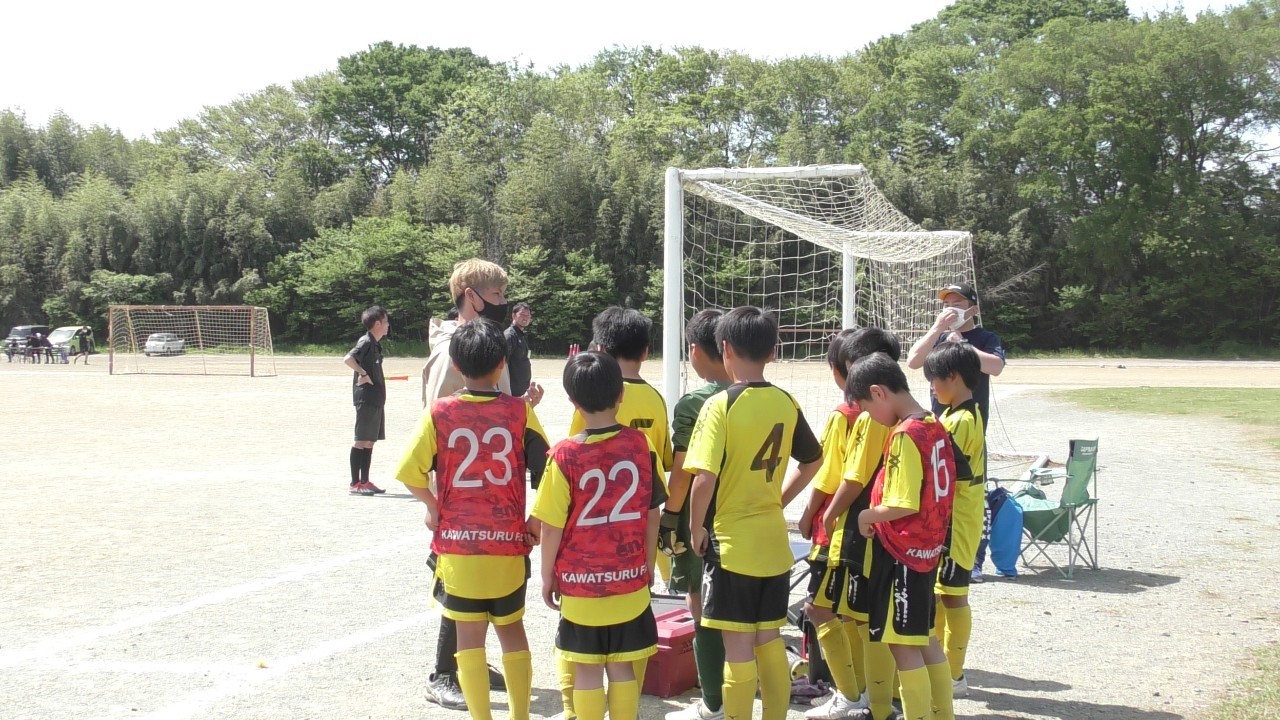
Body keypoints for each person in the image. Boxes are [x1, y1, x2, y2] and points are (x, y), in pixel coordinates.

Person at [394, 319, 548, 720]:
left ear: (458, 367)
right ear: (502, 363)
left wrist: (434, 506)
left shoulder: (439, 412)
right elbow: (552, 473)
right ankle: (519, 716)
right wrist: (536, 520)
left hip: (459, 546)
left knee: (469, 640)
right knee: (513, 633)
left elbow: (409, 473)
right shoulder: (520, 412)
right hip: (507, 545)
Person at [685, 306, 824, 720]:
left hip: (732, 547)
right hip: (773, 547)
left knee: (738, 649)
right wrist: (778, 500)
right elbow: (812, 462)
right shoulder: (785, 400)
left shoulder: (719, 405)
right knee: (768, 641)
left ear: (724, 348)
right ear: (773, 351)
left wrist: (695, 528)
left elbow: (704, 478)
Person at [532, 351, 666, 720]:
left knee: (588, 668)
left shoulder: (562, 455)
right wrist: (649, 564)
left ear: (572, 401)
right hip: (629, 581)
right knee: (623, 667)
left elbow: (551, 525)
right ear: (621, 393)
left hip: (580, 584)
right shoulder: (642, 446)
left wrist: (547, 576)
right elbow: (653, 512)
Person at [849, 352, 966, 720]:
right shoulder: (935, 424)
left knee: (902, 645)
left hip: (900, 551)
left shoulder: (905, 434)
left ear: (878, 392)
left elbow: (901, 502)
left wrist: (867, 514)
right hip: (927, 549)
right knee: (925, 638)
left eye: (867, 409)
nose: (871, 418)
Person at [819, 328, 904, 720]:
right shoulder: (911, 419)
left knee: (855, 617)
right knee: (858, 618)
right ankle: (869, 696)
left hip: (861, 532)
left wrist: (824, 513)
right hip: (880, 531)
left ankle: (860, 697)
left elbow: (850, 477)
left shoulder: (870, 419)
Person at [905, 282, 1005, 584]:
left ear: (973, 308)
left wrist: (963, 345)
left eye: (958, 302)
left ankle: (973, 560)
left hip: (971, 425)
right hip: (941, 424)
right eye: (946, 303)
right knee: (940, 492)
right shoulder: (940, 336)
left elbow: (996, 366)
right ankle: (938, 550)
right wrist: (937, 330)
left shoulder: (985, 337)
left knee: (973, 494)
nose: (951, 308)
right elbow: (913, 360)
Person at [661, 310, 731, 720]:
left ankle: (712, 705)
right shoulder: (766, 394)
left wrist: (671, 516)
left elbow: (685, 471)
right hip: (750, 517)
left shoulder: (695, 402)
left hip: (702, 521)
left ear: (694, 350)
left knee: (701, 605)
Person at [795, 329, 866, 720]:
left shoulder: (845, 415)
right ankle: (867, 689)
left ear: (840, 372)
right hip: (869, 532)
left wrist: (809, 515)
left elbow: (828, 474)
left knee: (820, 609)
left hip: (836, 531)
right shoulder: (889, 413)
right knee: (856, 614)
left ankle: (850, 694)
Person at [923, 343, 986, 699]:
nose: (932, 386)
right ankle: (943, 668)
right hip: (949, 522)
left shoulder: (962, 420)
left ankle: (955, 676)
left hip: (956, 524)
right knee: (941, 595)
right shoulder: (954, 414)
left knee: (954, 596)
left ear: (954, 377)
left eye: (934, 379)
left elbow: (947, 476)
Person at [342, 306, 389, 496]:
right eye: (385, 322)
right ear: (377, 323)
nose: (388, 326)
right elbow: (348, 358)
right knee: (361, 440)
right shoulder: (365, 341)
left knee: (370, 441)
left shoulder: (375, 344)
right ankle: (354, 483)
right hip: (366, 398)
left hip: (376, 398)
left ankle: (365, 481)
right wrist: (362, 373)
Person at [505, 302, 533, 398]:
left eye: (528, 315)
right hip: (512, 391)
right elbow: (502, 364)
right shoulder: (509, 336)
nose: (525, 318)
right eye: (522, 314)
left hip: (521, 389)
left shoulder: (521, 335)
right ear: (514, 315)